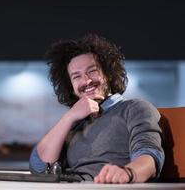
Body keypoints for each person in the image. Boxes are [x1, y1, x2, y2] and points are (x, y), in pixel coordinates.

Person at [29, 33, 164, 184]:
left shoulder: (134, 108)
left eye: (92, 71)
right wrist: (69, 117)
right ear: (71, 87)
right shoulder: (75, 122)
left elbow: (150, 156)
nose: (86, 81)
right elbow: (39, 167)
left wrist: (128, 173)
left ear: (108, 74)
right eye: (76, 76)